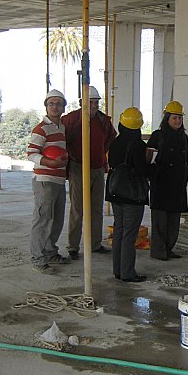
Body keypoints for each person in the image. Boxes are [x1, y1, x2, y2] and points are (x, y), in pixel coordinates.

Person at [62, 85, 117, 260]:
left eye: (96, 103)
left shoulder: (103, 121)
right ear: (81, 103)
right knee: (78, 209)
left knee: (96, 209)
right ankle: (73, 247)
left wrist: (101, 154)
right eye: (90, 103)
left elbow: (110, 139)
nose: (93, 106)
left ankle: (94, 244)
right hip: (78, 167)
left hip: (98, 168)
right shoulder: (71, 120)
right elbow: (63, 140)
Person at [27, 89, 71, 274]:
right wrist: (51, 162)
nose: (55, 107)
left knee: (57, 219)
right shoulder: (41, 129)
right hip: (45, 180)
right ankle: (38, 258)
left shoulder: (61, 128)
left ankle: (50, 252)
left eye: (58, 104)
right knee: (43, 219)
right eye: (51, 103)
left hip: (58, 180)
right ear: (46, 107)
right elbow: (31, 154)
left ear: (63, 108)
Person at [106, 107, 150, 283]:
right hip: (132, 195)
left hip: (116, 192)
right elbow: (142, 169)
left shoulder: (115, 143)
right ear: (138, 126)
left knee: (119, 230)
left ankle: (118, 270)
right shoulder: (138, 145)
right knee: (129, 234)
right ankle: (128, 273)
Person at [145, 100, 188, 261]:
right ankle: (158, 251)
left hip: (178, 184)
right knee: (160, 220)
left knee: (173, 221)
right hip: (161, 183)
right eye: (174, 118)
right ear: (167, 118)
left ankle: (168, 248)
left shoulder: (183, 137)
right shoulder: (158, 136)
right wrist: (154, 175)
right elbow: (149, 159)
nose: (177, 121)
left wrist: (187, 172)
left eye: (179, 118)